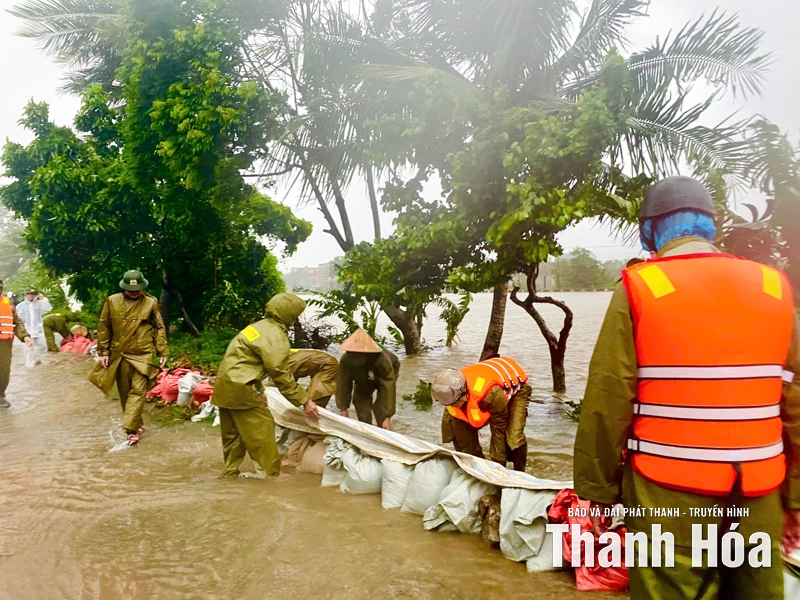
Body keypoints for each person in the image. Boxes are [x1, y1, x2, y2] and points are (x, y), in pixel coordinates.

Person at [573, 176, 800, 599]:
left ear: (648, 230)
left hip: (668, 492)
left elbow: (608, 399)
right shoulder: (775, 287)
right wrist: (796, 499)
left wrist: (596, 493)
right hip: (759, 493)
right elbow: (796, 405)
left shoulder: (642, 287)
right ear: (712, 227)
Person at [211, 293, 318, 478]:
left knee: (232, 436)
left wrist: (260, 390)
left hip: (224, 387)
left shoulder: (257, 327)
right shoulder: (276, 337)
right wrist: (305, 400)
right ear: (288, 314)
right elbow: (280, 373)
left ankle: (229, 475)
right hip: (243, 388)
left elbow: (244, 361)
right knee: (263, 437)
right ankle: (269, 479)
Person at [89, 270, 168, 445]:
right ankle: (136, 424)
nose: (134, 292)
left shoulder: (150, 302)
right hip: (120, 353)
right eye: (131, 290)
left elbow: (159, 327)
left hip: (143, 353)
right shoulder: (112, 301)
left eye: (137, 289)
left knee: (138, 391)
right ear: (124, 288)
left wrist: (162, 350)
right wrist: (104, 352)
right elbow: (104, 327)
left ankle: (131, 431)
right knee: (125, 393)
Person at [431, 356, 531, 471]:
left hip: (516, 390)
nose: (453, 407)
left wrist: (498, 466)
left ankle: (521, 471)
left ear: (463, 395)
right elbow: (463, 442)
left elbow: (499, 428)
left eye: (455, 403)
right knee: (461, 439)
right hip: (484, 387)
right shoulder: (450, 395)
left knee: (513, 438)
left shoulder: (489, 394)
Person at [335, 329, 399, 429]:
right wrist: (343, 408)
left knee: (381, 408)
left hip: (386, 373)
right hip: (361, 375)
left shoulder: (381, 359)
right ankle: (367, 429)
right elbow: (343, 382)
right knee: (360, 401)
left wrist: (387, 416)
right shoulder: (346, 360)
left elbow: (388, 386)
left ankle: (384, 428)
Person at [0, 280, 33, 408]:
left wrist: (24, 336)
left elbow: (16, 322)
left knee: (3, 370)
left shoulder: (7, 303)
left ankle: (0, 396)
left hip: (4, 343)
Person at [15, 290, 51, 367]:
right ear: (25, 295)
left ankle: (37, 359)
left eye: (33, 294)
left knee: (43, 346)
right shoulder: (20, 306)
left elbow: (48, 309)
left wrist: (44, 300)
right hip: (27, 331)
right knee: (28, 348)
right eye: (29, 294)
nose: (31, 296)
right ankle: (29, 364)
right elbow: (17, 318)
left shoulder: (40, 304)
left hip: (39, 331)